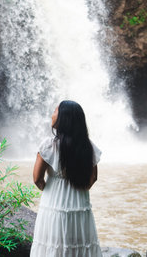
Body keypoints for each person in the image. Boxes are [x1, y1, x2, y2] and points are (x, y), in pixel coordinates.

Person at [30, 100, 102, 257]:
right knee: (79, 244)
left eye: (55, 111)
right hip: (79, 200)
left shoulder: (49, 145)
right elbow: (93, 177)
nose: (51, 115)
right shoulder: (88, 146)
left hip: (53, 200)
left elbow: (37, 178)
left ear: (64, 118)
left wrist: (50, 189)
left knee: (52, 245)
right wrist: (78, 188)